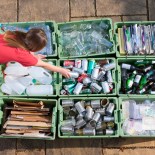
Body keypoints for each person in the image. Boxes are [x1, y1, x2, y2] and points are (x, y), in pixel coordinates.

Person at [0, 28, 71, 78]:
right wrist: (61, 70)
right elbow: (44, 65)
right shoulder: (23, 55)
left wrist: (33, 57)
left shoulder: (17, 34)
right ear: (35, 49)